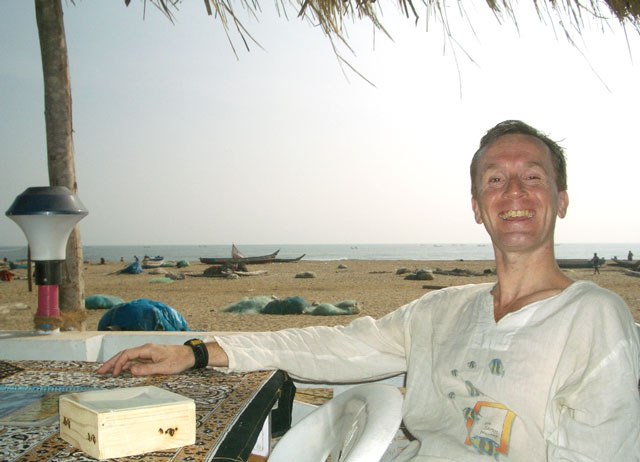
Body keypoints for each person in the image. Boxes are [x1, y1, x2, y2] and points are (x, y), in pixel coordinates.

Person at [99, 120, 640, 461]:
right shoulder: (442, 310)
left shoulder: (593, 318)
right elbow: (335, 345)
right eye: (495, 179)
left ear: (561, 200)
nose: (514, 191)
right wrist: (195, 351)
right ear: (478, 207)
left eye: (534, 177)